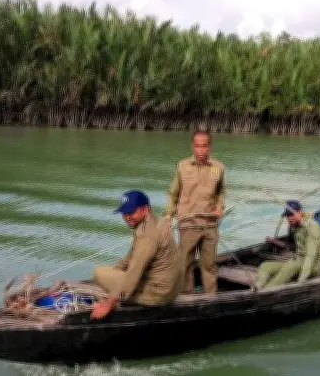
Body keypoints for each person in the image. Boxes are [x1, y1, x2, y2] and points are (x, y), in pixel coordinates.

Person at [90, 190, 183, 320]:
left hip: (157, 295)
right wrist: (115, 272)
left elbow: (133, 274)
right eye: (124, 213)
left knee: (98, 272)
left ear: (145, 209)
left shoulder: (147, 236)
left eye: (131, 212)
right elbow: (130, 257)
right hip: (171, 290)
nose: (127, 217)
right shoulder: (156, 222)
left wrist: (108, 305)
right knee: (110, 272)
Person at [164, 130, 226, 294]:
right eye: (197, 146)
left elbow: (221, 192)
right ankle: (187, 297)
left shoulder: (218, 167)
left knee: (210, 265)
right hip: (188, 224)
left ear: (209, 147)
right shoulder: (182, 167)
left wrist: (220, 207)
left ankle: (211, 298)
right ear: (192, 146)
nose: (201, 150)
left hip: (210, 224)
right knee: (185, 264)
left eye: (204, 146)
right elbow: (173, 193)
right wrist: (168, 215)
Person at [255, 200, 320, 289]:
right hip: (297, 261)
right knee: (265, 266)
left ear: (300, 212)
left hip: (316, 265)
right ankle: (257, 288)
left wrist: (302, 279)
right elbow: (292, 246)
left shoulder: (311, 227)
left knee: (290, 267)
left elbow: (310, 256)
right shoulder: (293, 227)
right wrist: (276, 242)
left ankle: (266, 292)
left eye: (292, 214)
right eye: (287, 215)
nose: (290, 218)